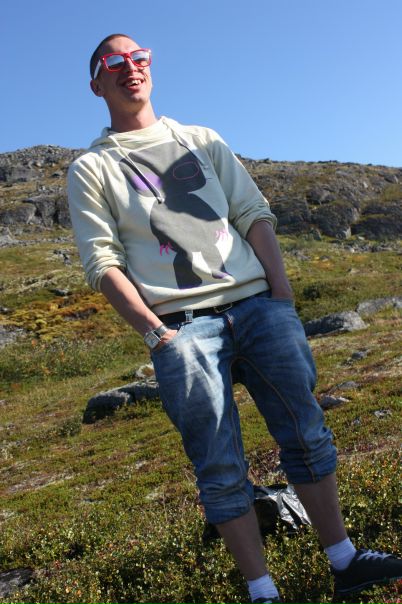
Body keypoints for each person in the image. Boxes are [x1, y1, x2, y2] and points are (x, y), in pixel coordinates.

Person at [67, 33, 402, 604]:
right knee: (218, 464)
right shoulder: (91, 168)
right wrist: (156, 332)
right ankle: (262, 592)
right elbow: (102, 262)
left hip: (258, 308)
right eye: (114, 62)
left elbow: (252, 212)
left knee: (306, 432)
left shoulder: (201, 139)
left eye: (140, 57)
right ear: (96, 83)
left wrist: (281, 297)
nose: (131, 67)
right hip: (183, 327)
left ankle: (345, 562)